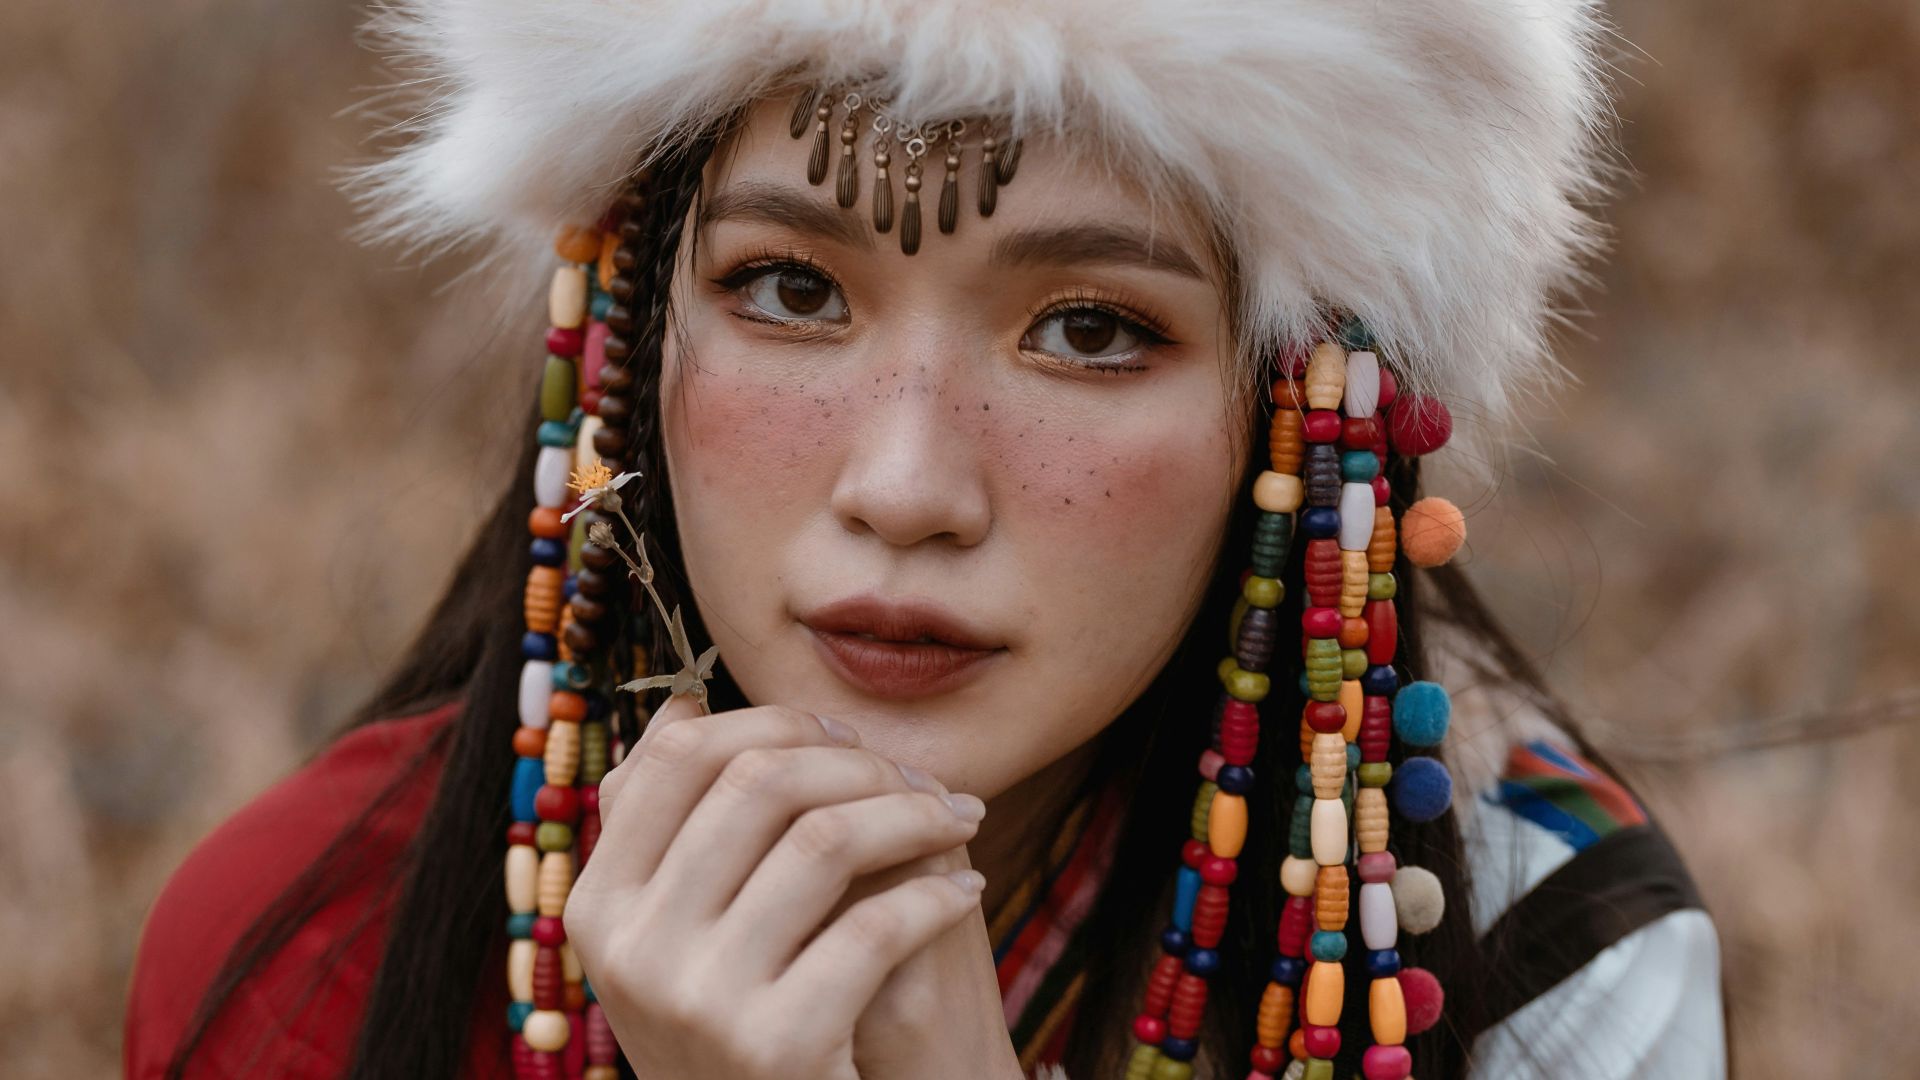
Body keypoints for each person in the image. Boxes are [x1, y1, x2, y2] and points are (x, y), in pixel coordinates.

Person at [123, 1, 1727, 1078]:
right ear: (626, 318)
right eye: (791, 290)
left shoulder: (1539, 962)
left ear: (1302, 403)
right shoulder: (313, 954)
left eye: (1091, 329)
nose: (904, 488)